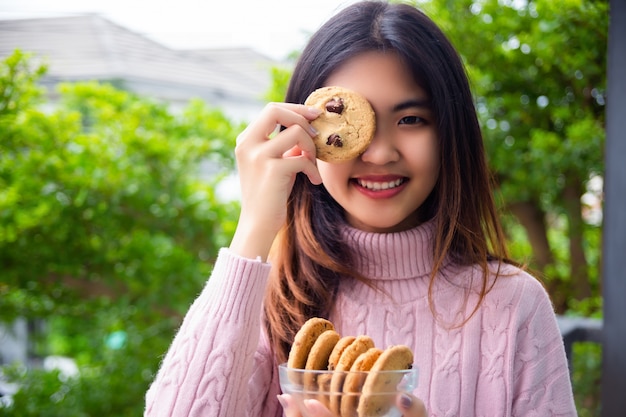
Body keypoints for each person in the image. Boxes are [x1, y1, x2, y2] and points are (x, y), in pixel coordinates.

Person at [144, 1, 577, 416]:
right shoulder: (267, 300)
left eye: (411, 120)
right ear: (305, 134)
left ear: (449, 132)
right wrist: (254, 228)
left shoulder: (512, 305)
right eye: (350, 121)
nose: (380, 153)